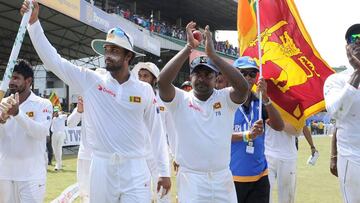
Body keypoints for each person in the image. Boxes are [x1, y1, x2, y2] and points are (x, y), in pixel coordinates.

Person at [21, 2, 170, 202]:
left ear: (129, 56)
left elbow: (156, 133)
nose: (108, 55)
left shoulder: (144, 90)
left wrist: (163, 171)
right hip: (101, 167)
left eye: (115, 50)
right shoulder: (91, 80)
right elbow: (53, 61)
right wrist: (34, 24)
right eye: (107, 49)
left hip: (135, 169)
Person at [158, 21, 249, 202]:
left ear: (216, 78)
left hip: (222, 177)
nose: (202, 79)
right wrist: (188, 48)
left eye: (208, 75)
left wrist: (213, 56)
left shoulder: (225, 98)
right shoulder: (180, 100)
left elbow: (243, 89)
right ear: (190, 77)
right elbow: (162, 82)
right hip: (192, 180)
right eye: (197, 74)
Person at [230, 56, 284, 203]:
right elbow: (219, 136)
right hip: (231, 176)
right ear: (234, 74)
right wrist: (247, 135)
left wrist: (266, 98)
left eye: (252, 74)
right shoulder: (226, 102)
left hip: (259, 177)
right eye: (243, 73)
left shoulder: (259, 104)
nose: (248, 77)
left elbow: (279, 126)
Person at [0, 59, 53, 202]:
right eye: (10, 77)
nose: (11, 81)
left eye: (16, 78)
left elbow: (41, 133)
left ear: (28, 81)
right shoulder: (2, 105)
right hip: (4, 175)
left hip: (31, 176)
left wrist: (17, 114)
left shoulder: (43, 104)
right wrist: (1, 120)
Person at [323, 23, 360, 203]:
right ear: (347, 47)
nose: (359, 41)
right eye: (354, 38)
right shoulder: (336, 80)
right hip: (352, 157)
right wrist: (358, 72)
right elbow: (337, 113)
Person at [132, 62, 175, 203]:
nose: (142, 79)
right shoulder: (131, 98)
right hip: (138, 152)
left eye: (146, 76)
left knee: (163, 194)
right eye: (139, 76)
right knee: (141, 194)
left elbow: (171, 129)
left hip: (159, 152)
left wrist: (176, 154)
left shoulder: (164, 100)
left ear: (154, 79)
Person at [265, 124, 318, 203]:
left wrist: (312, 146)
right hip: (267, 154)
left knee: (286, 199)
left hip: (288, 157)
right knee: (264, 195)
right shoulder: (264, 111)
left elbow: (300, 128)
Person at [67, 96, 91, 202]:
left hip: (106, 157)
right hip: (86, 156)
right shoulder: (86, 102)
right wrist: (79, 111)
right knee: (85, 195)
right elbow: (70, 124)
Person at [50, 105, 67, 171]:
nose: (55, 113)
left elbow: (68, 115)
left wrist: (62, 112)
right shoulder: (53, 119)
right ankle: (58, 163)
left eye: (56, 112)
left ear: (58, 112)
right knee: (55, 150)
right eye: (54, 112)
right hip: (54, 134)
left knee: (59, 149)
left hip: (61, 134)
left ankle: (58, 165)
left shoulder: (62, 117)